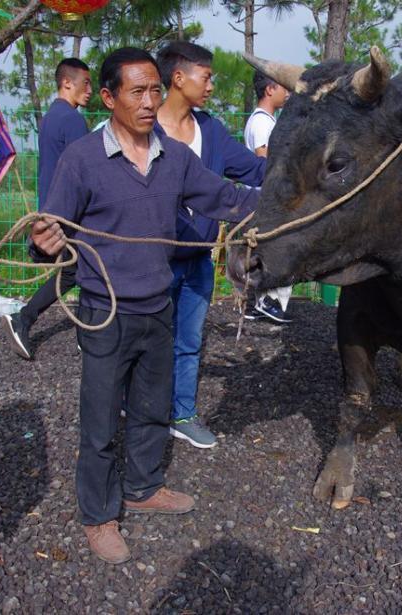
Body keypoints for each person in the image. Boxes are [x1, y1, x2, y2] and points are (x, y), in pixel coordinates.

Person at [30, 47, 258, 565]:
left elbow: (225, 198)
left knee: (153, 408)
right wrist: (42, 240)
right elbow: (51, 228)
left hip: (159, 306)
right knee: (100, 416)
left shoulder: (175, 158)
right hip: (105, 311)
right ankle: (98, 515)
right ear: (108, 97)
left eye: (155, 89)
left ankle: (143, 487)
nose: (150, 101)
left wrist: (288, 199)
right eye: (137, 91)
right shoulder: (83, 159)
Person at [154, 42, 267, 448]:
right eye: (207, 76)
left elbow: (254, 169)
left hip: (199, 259)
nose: (212, 85)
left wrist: (300, 168)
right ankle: (142, 410)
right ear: (179, 78)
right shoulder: (145, 131)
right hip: (153, 261)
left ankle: (181, 414)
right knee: (147, 339)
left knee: (189, 341)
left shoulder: (212, 131)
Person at [3, 58, 92, 360]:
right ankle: (24, 318)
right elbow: (84, 170)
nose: (90, 90)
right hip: (72, 210)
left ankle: (84, 333)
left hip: (53, 206)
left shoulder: (53, 117)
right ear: (67, 83)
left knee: (76, 271)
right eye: (86, 83)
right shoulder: (72, 120)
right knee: (81, 270)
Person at [242, 70, 294, 324]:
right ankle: (269, 303)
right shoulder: (262, 122)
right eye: (283, 87)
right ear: (269, 89)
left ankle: (263, 303)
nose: (288, 92)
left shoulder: (266, 120)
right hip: (266, 196)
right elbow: (265, 160)